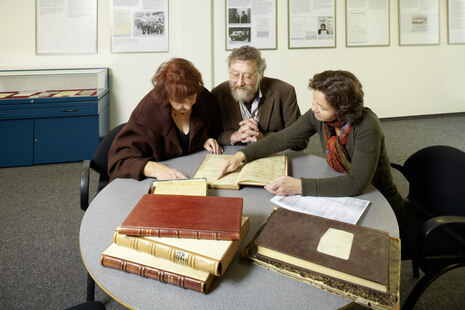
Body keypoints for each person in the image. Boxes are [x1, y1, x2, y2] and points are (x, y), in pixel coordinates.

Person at [217, 70, 407, 229]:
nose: (314, 108)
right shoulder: (319, 116)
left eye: (321, 106)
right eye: (314, 101)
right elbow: (283, 138)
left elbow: (356, 182)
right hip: (344, 194)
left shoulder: (367, 126)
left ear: (343, 111)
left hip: (380, 203)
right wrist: (241, 155)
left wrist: (298, 186)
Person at [108, 58, 223, 181]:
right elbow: (119, 162)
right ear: (166, 96)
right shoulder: (146, 113)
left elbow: (215, 130)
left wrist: (203, 139)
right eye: (180, 101)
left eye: (191, 97)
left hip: (193, 172)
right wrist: (151, 168)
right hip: (152, 182)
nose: (189, 106)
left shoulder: (204, 98)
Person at [212, 45, 305, 148]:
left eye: (247, 76)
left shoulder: (285, 92)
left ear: (260, 74)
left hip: (273, 158)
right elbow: (211, 135)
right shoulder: (218, 94)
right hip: (234, 158)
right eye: (235, 74)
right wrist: (233, 136)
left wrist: (263, 138)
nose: (239, 82)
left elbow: (300, 141)